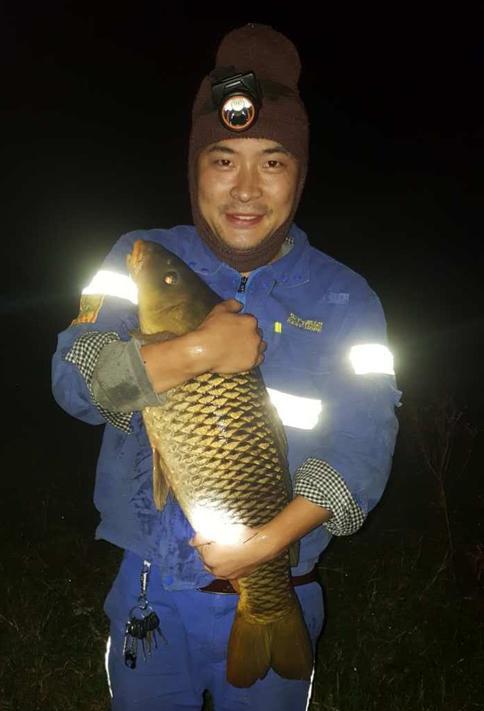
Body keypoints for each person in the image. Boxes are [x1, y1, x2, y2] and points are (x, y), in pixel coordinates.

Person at [52, 23, 401, 711]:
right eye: (222, 161)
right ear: (195, 166)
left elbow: (364, 452)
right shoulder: (140, 254)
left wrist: (262, 548)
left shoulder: (346, 299)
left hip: (281, 582)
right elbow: (72, 379)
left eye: (272, 161)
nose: (246, 189)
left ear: (300, 172)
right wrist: (195, 352)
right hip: (150, 591)